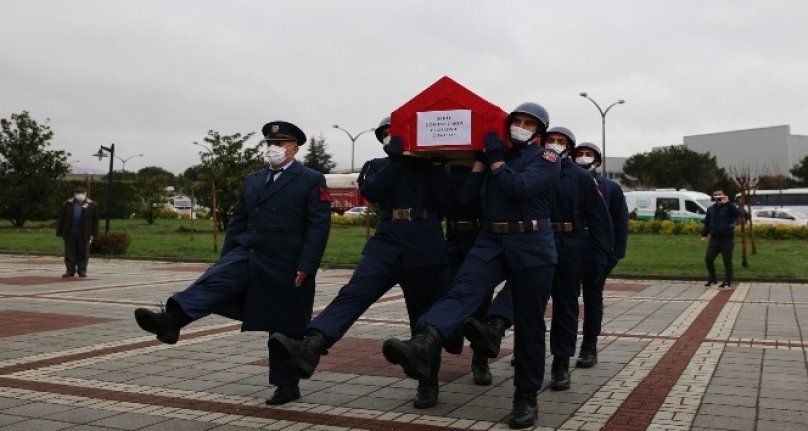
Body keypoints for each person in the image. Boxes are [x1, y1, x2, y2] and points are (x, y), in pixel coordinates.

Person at [381, 102, 561, 429]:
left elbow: (520, 188)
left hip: (532, 244)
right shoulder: (493, 155)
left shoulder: (546, 159)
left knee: (531, 324)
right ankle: (424, 342)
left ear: (539, 132)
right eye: (516, 121)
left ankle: (526, 397)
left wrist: (494, 160)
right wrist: (479, 162)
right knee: (461, 293)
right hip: (491, 240)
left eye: (528, 123)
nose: (520, 126)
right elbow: (465, 200)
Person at [133, 121, 332, 406]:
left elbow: (318, 226)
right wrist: (227, 256)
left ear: (294, 148)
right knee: (215, 281)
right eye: (269, 144)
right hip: (247, 253)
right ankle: (171, 320)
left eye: (279, 144)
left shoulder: (311, 179)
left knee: (284, 325)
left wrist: (308, 264)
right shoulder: (253, 179)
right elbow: (239, 219)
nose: (272, 149)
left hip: (287, 261)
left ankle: (286, 386)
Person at [268, 116, 450, 409]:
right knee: (353, 294)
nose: (391, 137)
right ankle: (312, 344)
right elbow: (375, 192)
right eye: (386, 134)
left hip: (425, 242)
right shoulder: (376, 166)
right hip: (387, 241)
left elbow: (448, 202)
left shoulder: (431, 165)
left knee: (423, 317)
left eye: (396, 133)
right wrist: (397, 159)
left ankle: (428, 380)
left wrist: (433, 163)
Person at [463, 128, 612, 393]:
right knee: (521, 299)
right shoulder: (529, 166)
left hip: (568, 245)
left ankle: (561, 363)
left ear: (570, 147)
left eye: (562, 141)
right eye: (551, 140)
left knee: (565, 307)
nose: (555, 145)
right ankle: (501, 337)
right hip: (531, 243)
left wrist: (601, 260)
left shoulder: (580, 177)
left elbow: (600, 219)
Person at [573, 142, 629, 368]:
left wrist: (615, 254)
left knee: (593, 299)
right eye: (580, 154)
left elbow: (620, 221)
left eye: (588, 154)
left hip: (598, 252)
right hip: (570, 248)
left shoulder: (611, 188)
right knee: (564, 299)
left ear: (597, 160)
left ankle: (589, 347)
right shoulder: (565, 180)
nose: (584, 157)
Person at [701, 186, 740, 288]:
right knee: (708, 258)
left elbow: (738, 214)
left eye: (719, 194)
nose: (717, 197)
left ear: (723, 195)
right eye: (715, 195)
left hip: (727, 238)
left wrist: (728, 203)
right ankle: (712, 279)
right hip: (714, 238)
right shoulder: (710, 209)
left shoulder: (729, 207)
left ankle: (727, 282)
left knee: (727, 260)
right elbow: (707, 223)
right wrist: (704, 235)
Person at [56, 186, 99, 278]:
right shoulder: (67, 204)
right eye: (77, 193)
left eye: (82, 193)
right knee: (69, 252)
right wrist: (60, 232)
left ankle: (82, 270)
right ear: (74, 194)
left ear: (85, 194)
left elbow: (95, 221)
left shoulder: (92, 205)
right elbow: (62, 219)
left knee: (83, 252)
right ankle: (70, 270)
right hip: (70, 233)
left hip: (84, 233)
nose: (80, 195)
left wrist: (94, 233)